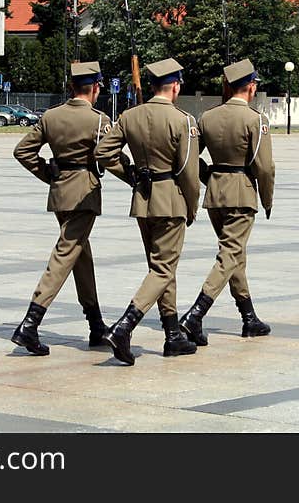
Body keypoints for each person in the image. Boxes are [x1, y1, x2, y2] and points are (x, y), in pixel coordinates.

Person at [10, 61, 129, 356]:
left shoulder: (51, 116)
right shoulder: (99, 120)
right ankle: (30, 323)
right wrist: (135, 180)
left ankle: (95, 323)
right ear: (96, 88)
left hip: (60, 191)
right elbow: (110, 157)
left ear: (72, 87)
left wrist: (48, 173)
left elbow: (22, 151)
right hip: (84, 194)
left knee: (80, 256)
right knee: (65, 256)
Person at [94, 58, 200, 366]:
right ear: (175, 86)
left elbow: (103, 152)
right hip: (171, 199)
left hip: (143, 199)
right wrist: (191, 206)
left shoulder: (130, 116)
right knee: (164, 268)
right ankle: (124, 327)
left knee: (160, 267)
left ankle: (172, 333)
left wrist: (131, 173)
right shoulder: (183, 120)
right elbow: (189, 173)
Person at [179, 59, 274, 348]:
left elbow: (190, 156)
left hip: (215, 194)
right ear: (252, 86)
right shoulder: (256, 119)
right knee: (229, 256)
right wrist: (267, 199)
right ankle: (195, 314)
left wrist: (210, 174)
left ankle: (249, 318)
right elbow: (265, 167)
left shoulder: (207, 117)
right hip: (241, 194)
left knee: (235, 256)